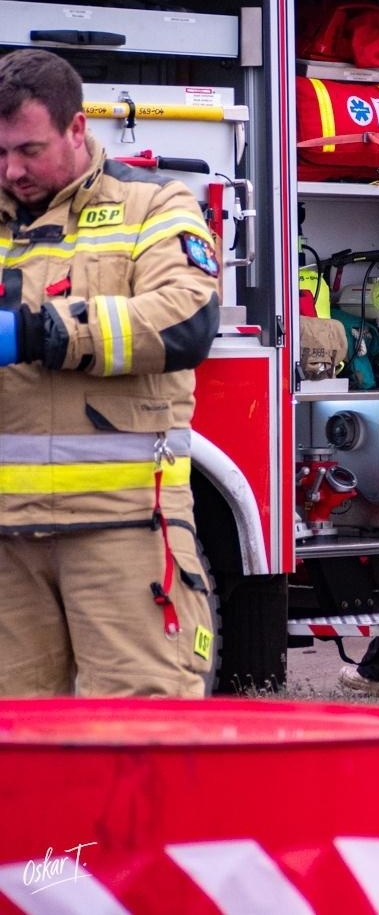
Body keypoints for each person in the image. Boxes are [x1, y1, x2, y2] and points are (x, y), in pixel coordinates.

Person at [0, 47, 220, 697]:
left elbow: (186, 319)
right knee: (16, 754)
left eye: (30, 150)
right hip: (6, 541)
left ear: (77, 128)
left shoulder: (154, 203)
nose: (12, 169)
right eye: (0, 151)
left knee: (140, 739)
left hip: (122, 529)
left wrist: (39, 332)